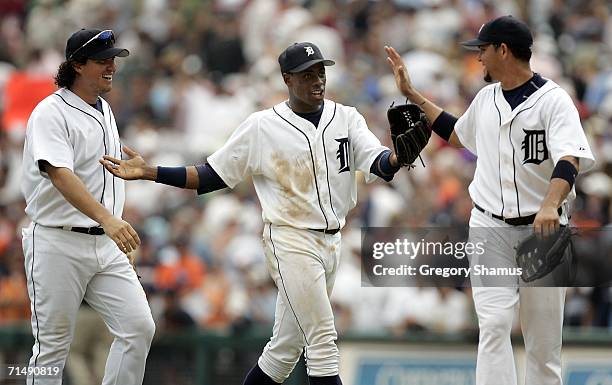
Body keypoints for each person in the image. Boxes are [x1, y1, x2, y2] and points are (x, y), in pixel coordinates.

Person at [101, 42, 408, 385]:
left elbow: (379, 162)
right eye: (308, 75)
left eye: (321, 72)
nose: (317, 80)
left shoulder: (347, 117)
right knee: (322, 341)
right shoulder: (262, 126)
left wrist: (398, 157)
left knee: (284, 350)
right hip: (291, 239)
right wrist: (151, 171)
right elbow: (209, 175)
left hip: (333, 242)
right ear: (287, 79)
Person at [385, 15, 594, 385]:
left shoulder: (554, 101)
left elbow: (569, 159)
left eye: (483, 49)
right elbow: (456, 133)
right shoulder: (486, 98)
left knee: (543, 346)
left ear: (503, 49)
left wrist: (549, 204)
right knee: (494, 326)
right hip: (490, 227)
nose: (478, 57)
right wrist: (413, 95)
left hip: (542, 230)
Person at [21, 28, 155, 385]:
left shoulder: (105, 109)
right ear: (77, 64)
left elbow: (100, 179)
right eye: (102, 60)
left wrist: (114, 227)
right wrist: (110, 220)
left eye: (114, 59)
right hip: (56, 241)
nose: (112, 66)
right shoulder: (51, 112)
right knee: (51, 349)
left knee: (138, 328)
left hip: (104, 243)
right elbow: (60, 175)